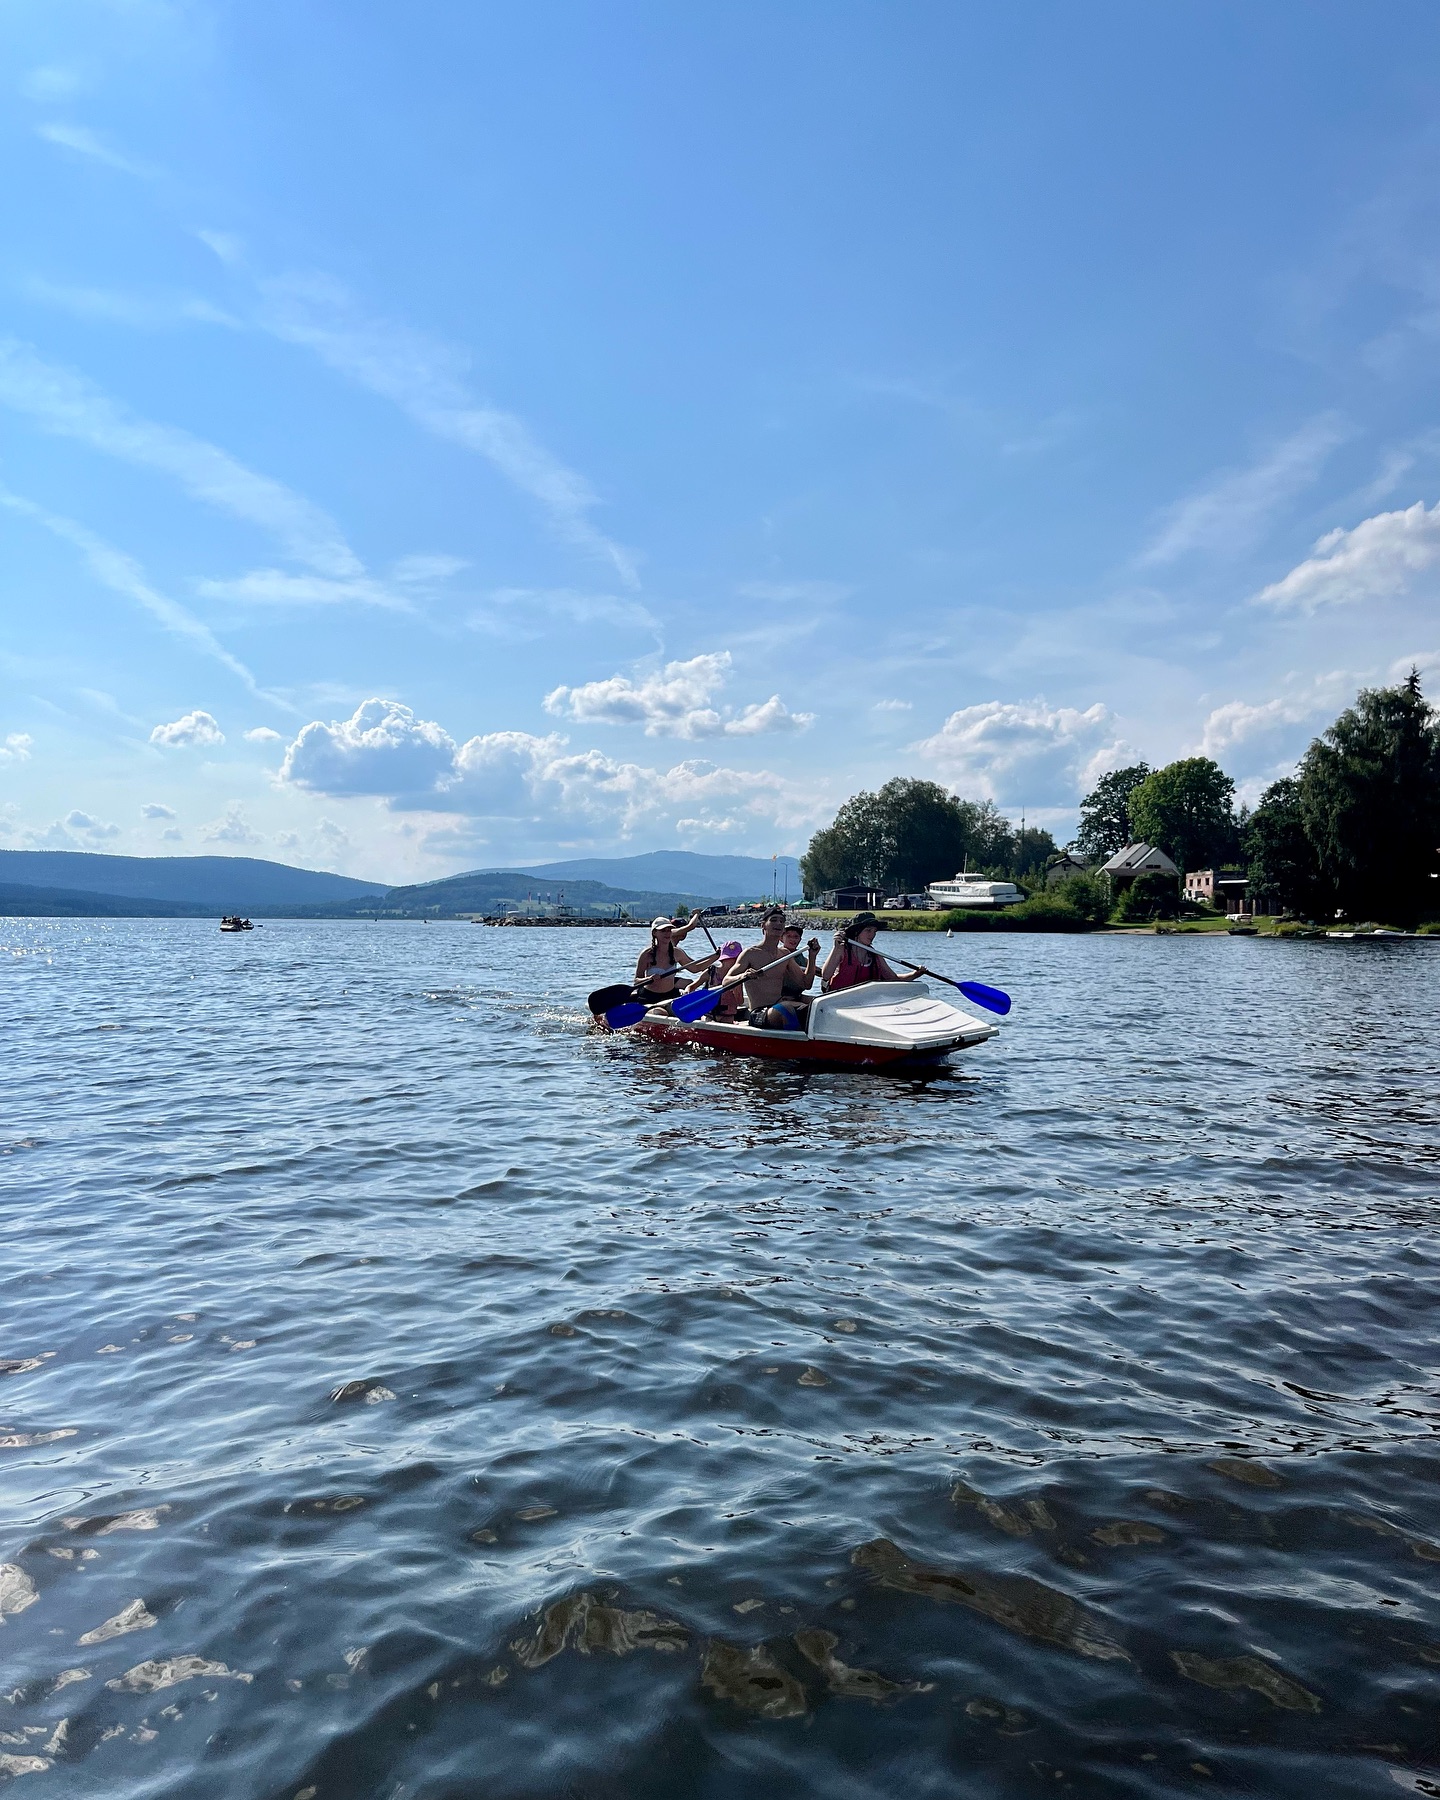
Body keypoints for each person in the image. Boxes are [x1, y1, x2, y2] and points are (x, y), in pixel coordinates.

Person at [726, 908, 821, 1029]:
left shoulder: (785, 954)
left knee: (818, 1005)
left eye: (782, 921)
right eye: (774, 920)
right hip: (759, 1012)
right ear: (763, 925)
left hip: (780, 1006)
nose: (778, 923)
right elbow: (726, 981)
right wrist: (744, 976)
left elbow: (806, 984)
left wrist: (812, 956)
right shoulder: (750, 953)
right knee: (786, 1008)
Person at [821, 912, 924, 992]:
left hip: (864, 1003)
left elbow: (893, 978)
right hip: (837, 1001)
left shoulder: (875, 956)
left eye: (874, 931)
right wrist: (835, 948)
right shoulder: (842, 949)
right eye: (868, 930)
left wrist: (915, 974)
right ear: (857, 931)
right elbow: (825, 975)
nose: (872, 935)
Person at [633, 913, 708, 1005]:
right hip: (649, 996)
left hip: (670, 995)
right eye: (663, 931)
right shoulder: (647, 954)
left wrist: (716, 957)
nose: (667, 933)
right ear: (654, 933)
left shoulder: (677, 952)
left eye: (669, 930)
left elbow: (695, 968)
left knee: (689, 984)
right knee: (660, 1012)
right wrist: (649, 978)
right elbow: (636, 981)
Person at [682, 939, 746, 1021]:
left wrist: (737, 993)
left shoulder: (736, 977)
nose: (733, 962)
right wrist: (687, 991)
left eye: (736, 959)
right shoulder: (711, 971)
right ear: (722, 959)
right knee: (706, 1019)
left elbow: (740, 1002)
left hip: (727, 1016)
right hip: (708, 1015)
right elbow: (692, 986)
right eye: (730, 959)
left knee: (728, 1021)